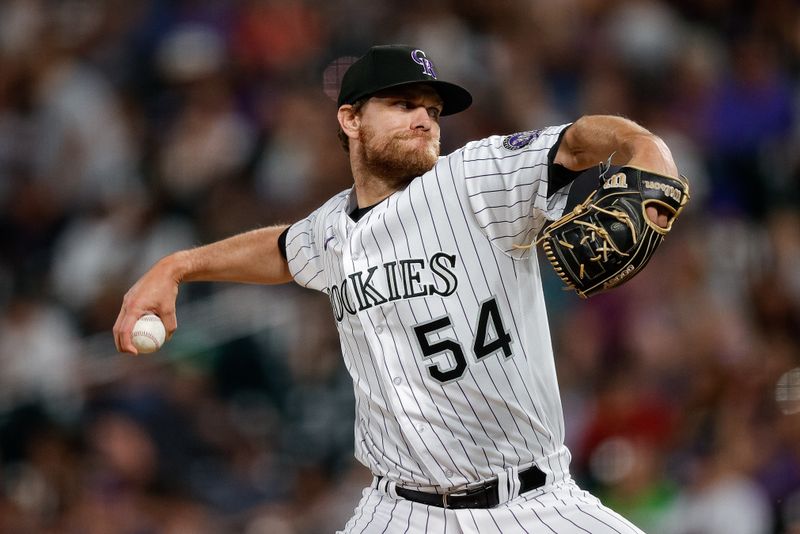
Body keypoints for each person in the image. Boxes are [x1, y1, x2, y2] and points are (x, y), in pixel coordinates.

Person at [114, 44, 680, 533]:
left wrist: (643, 144)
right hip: (401, 510)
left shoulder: (474, 177)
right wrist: (178, 266)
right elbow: (283, 251)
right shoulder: (332, 230)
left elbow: (578, 142)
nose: (425, 120)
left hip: (531, 503)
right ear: (351, 120)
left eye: (432, 110)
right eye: (403, 104)